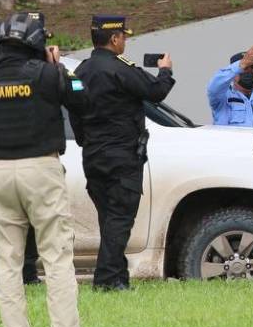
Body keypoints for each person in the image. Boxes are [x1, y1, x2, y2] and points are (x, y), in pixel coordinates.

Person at [0, 12, 89, 327]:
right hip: (40, 169)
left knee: (6, 259)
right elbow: (82, 97)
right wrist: (62, 68)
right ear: (36, 42)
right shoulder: (48, 74)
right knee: (56, 252)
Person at [71, 15, 176, 291]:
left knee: (109, 219)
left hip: (93, 156)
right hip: (121, 157)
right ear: (114, 38)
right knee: (120, 219)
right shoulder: (120, 68)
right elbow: (155, 92)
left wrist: (86, 141)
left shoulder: (80, 71)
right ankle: (106, 279)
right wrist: (165, 70)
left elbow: (74, 110)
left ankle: (118, 277)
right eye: (124, 37)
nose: (125, 42)